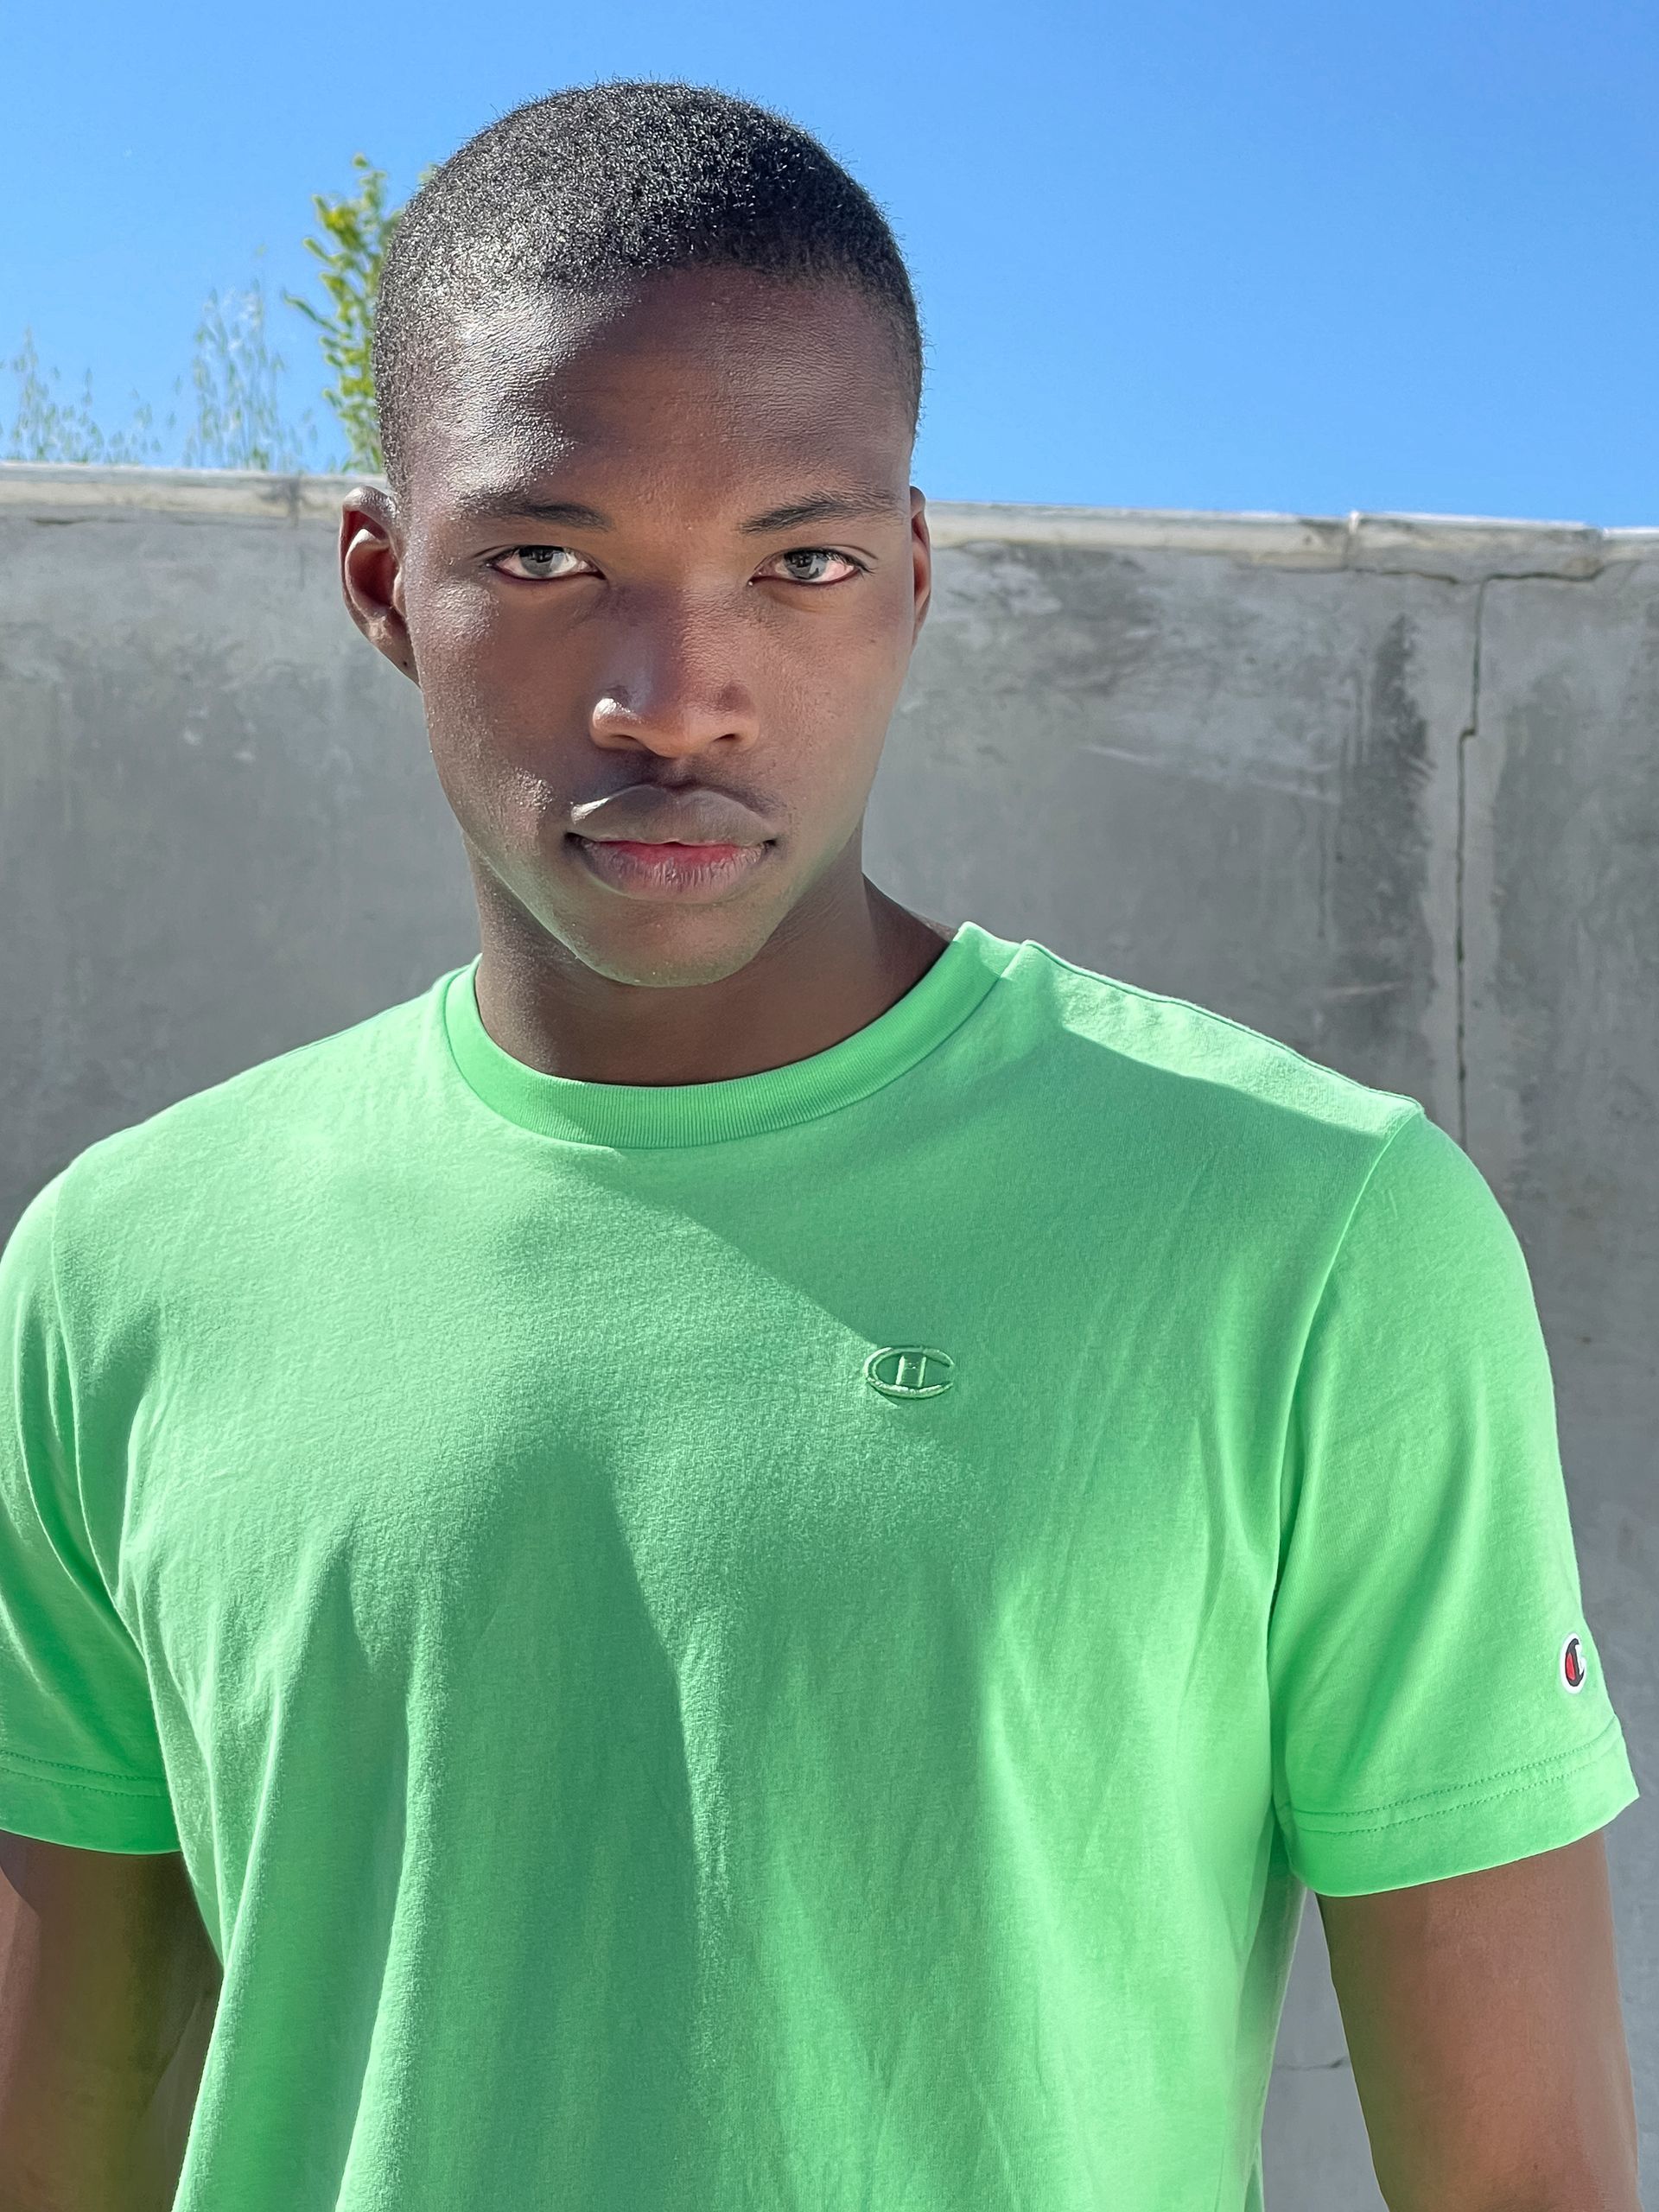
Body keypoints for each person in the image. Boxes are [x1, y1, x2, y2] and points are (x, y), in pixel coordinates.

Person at [0, 78, 1641, 2212]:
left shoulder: (1316, 1232)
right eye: (548, 555)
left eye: (802, 560)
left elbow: (1524, 2174)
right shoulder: (122, 1272)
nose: (679, 695)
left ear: (913, 580)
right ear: (386, 580)